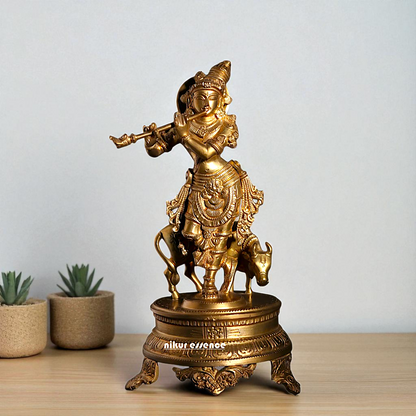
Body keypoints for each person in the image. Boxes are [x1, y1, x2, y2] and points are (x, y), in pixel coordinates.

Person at [143, 61, 263, 298]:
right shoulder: (186, 124)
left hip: (226, 183)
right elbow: (159, 148)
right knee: (190, 233)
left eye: (212, 97)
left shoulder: (226, 124)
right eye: (201, 97)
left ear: (221, 100)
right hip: (199, 183)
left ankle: (209, 282)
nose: (206, 103)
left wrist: (185, 136)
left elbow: (208, 153)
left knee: (220, 235)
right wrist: (150, 142)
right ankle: (204, 266)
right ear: (190, 100)